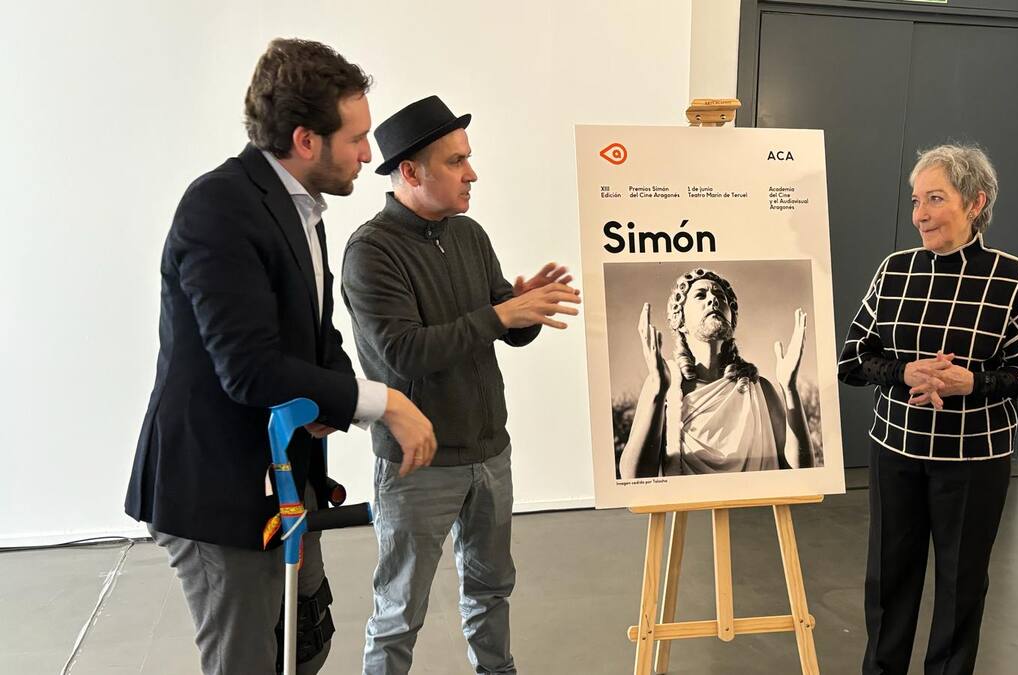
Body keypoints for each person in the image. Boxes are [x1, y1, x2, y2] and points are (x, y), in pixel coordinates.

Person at [123, 39, 435, 675]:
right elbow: (249, 369)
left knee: (305, 642)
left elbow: (317, 338)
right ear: (305, 140)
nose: (369, 155)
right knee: (248, 661)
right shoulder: (218, 208)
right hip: (217, 490)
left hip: (285, 479)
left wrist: (333, 393)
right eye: (357, 139)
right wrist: (383, 403)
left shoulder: (304, 210)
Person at [340, 95, 580, 675]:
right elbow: (404, 354)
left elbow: (496, 330)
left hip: (489, 453)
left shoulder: (468, 234)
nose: (471, 173)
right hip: (417, 464)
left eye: (468, 158)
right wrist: (501, 315)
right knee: (400, 609)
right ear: (410, 172)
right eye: (455, 162)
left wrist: (522, 310)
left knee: (493, 589)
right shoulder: (370, 252)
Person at [838, 144, 1018, 675]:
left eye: (936, 198)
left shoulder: (1010, 277)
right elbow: (853, 360)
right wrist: (905, 372)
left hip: (975, 464)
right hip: (896, 452)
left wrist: (971, 382)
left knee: (961, 587)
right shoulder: (894, 271)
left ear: (976, 202)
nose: (921, 214)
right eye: (916, 200)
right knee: (888, 581)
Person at [618, 267, 815, 478]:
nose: (713, 300)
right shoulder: (665, 382)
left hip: (755, 509)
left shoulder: (760, 389)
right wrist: (659, 390)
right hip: (692, 509)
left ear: (732, 320)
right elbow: (635, 478)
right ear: (680, 320)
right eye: (700, 295)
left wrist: (790, 388)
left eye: (720, 296)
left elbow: (800, 474)